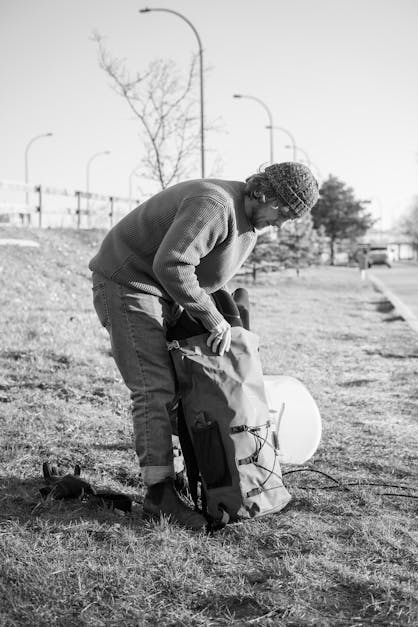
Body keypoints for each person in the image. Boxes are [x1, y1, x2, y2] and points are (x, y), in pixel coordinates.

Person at [89, 162, 319, 529]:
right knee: (154, 386)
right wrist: (211, 318)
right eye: (284, 213)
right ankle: (159, 494)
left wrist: (223, 319)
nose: (281, 224)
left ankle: (176, 472)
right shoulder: (214, 204)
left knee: (189, 382)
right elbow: (174, 264)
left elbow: (206, 278)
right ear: (265, 193)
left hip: (165, 294)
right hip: (128, 283)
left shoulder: (250, 225)